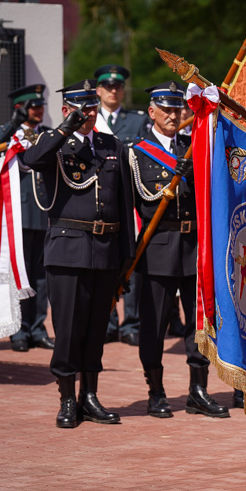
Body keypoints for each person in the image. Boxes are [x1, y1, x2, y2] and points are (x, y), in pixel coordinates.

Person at [22, 79, 135, 428]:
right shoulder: (52, 144)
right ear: (67, 109)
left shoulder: (111, 145)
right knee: (69, 329)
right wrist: (64, 128)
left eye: (91, 108)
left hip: (105, 251)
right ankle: (67, 398)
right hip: (68, 251)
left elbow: (124, 204)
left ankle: (90, 395)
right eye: (79, 108)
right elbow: (32, 159)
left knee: (96, 329)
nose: (87, 114)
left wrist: (126, 260)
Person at [130, 81, 229, 419]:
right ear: (152, 112)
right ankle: (155, 391)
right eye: (166, 109)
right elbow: (138, 200)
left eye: (177, 108)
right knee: (154, 325)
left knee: (198, 323)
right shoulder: (138, 151)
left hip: (193, 248)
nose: (173, 115)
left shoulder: (193, 145)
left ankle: (197, 391)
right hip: (157, 248)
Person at [0, 84, 56, 353]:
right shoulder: (6, 134)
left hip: (44, 211)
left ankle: (37, 328)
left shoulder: (47, 134)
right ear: (20, 108)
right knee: (19, 273)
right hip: (19, 213)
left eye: (41, 106)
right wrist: (10, 127)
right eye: (33, 106)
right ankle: (18, 330)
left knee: (40, 275)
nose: (39, 110)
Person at [93, 64, 149, 347]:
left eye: (118, 86)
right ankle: (108, 322)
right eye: (108, 87)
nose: (114, 90)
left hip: (130, 198)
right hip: (100, 200)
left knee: (131, 259)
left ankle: (132, 322)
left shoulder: (137, 121)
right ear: (98, 90)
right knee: (104, 262)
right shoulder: (90, 120)